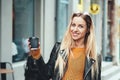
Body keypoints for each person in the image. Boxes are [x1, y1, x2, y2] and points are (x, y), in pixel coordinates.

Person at [24, 12, 101, 80]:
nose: (75, 29)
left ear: (87, 30)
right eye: (73, 25)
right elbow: (46, 75)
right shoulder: (59, 48)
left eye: (80, 26)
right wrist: (36, 55)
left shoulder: (94, 55)